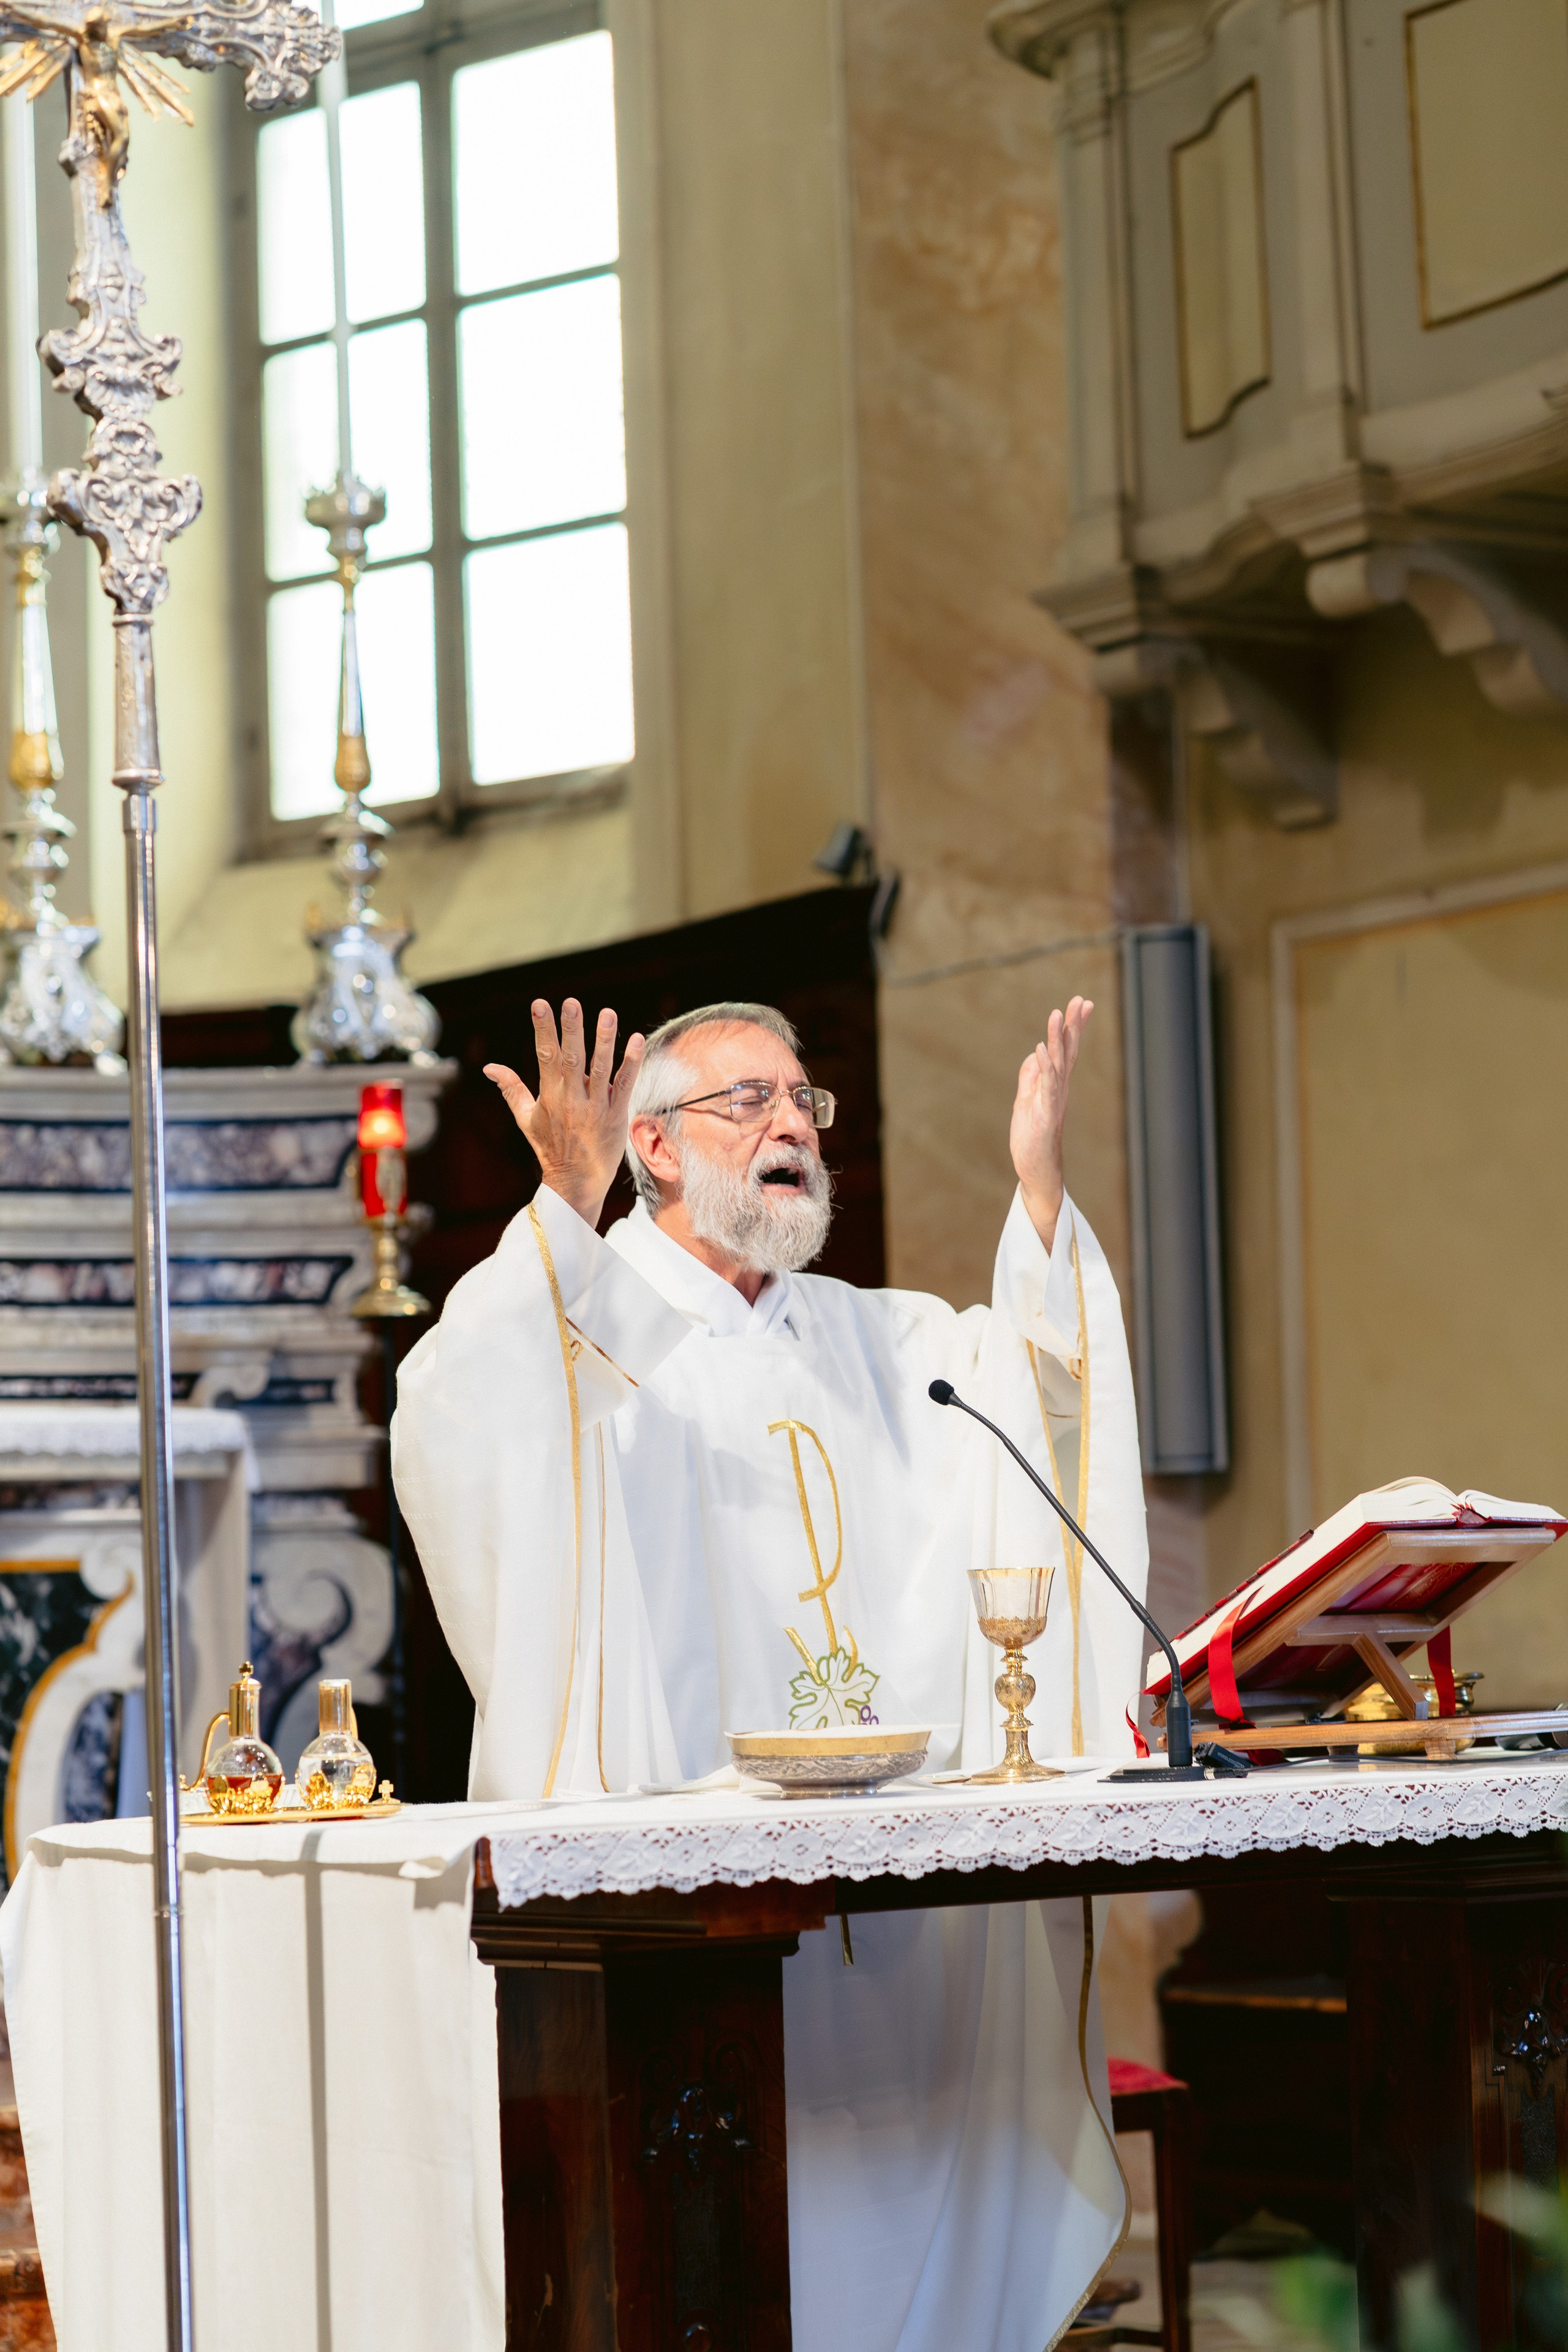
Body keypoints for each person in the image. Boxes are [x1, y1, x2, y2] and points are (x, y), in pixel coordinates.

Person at [393, 994, 1148, 2352]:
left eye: (805, 1103)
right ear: (654, 1145)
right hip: (694, 1926)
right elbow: (459, 1425)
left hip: (900, 1927)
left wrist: (1037, 1201)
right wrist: (562, 1220)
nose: (793, 1125)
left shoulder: (887, 1342)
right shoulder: (587, 1315)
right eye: (750, 1102)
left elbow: (1039, 1399)